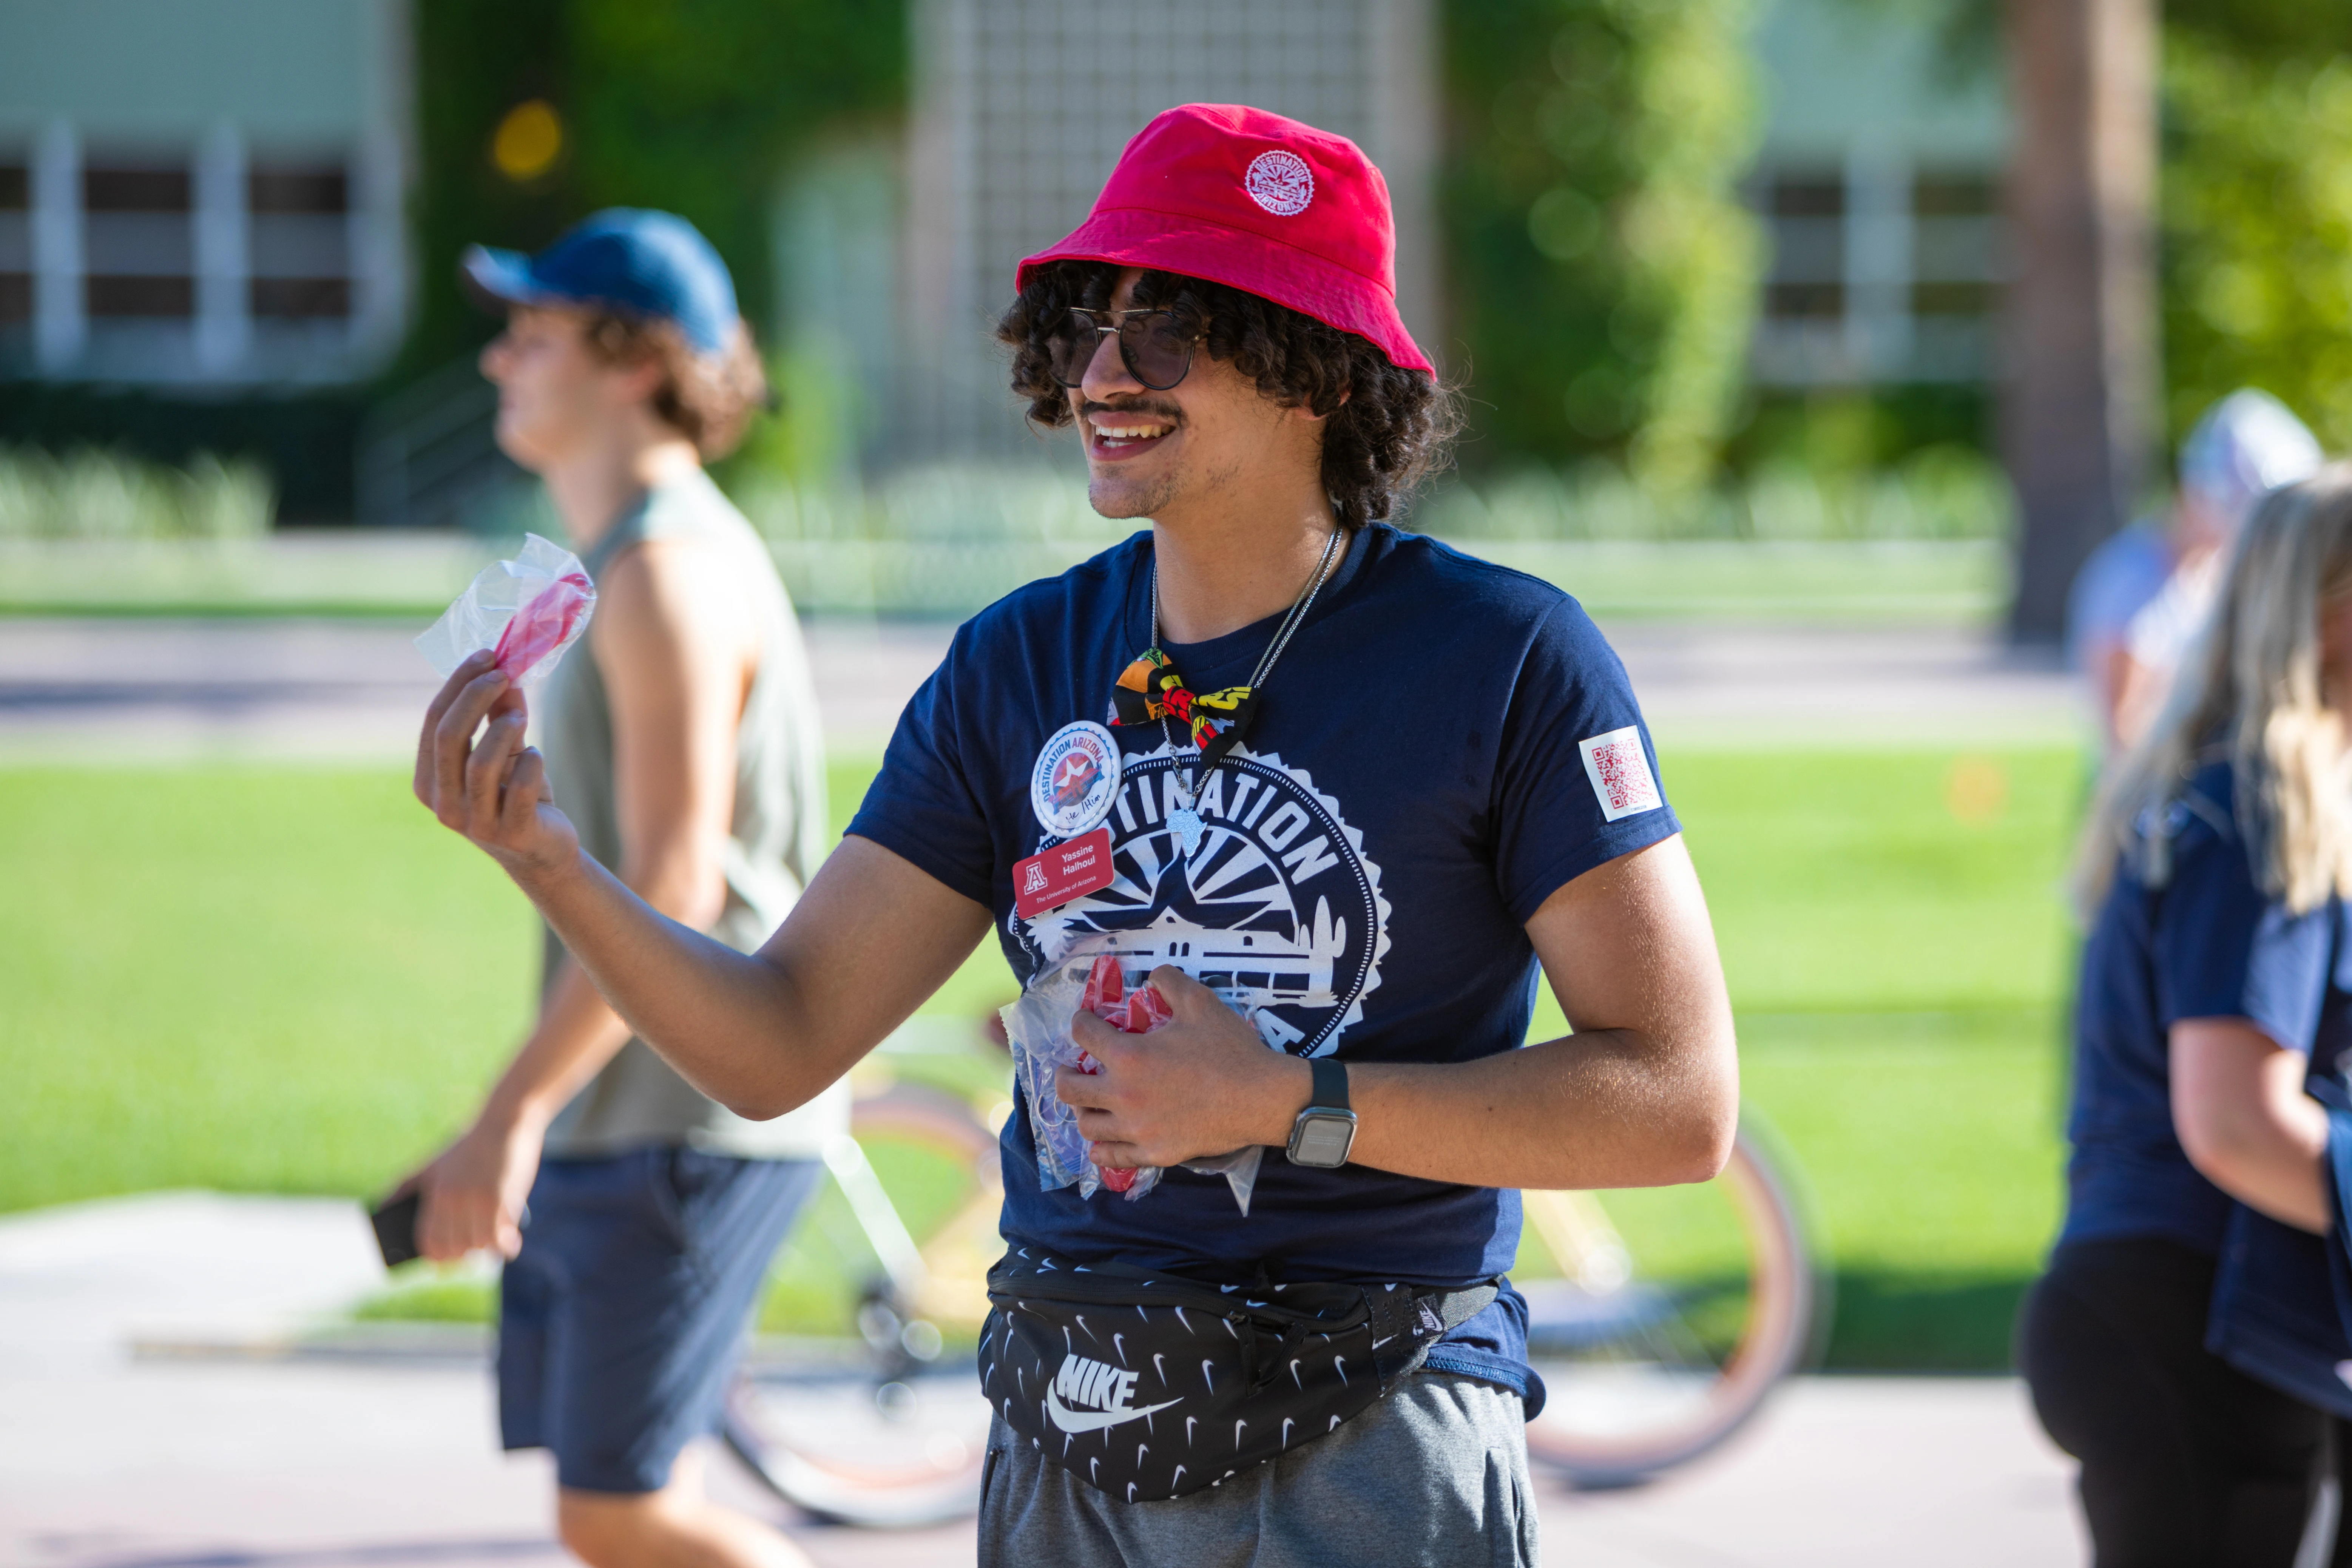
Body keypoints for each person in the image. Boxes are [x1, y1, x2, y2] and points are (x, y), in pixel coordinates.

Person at [416, 105, 1738, 1567]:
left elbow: (1677, 1099)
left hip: (1378, 1433)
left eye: (1167, 328)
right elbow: (778, 1038)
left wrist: (1283, 1100)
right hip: (1068, 1433)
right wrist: (553, 864)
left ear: (1312, 368)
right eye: (1087, 327)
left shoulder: (1505, 658)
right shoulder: (1017, 667)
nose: (1105, 372)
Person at [402, 209, 838, 1568]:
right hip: (636, 1114)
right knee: (612, 1510)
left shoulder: (665, 576)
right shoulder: (626, 564)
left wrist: (508, 1115)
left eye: (532, 334)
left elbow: (675, 883)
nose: (498, 365)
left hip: (691, 1116)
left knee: (621, 1511)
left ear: (635, 363)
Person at [2021, 466, 2352, 1565]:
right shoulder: (2267, 805)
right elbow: (2235, 1123)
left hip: (2186, 1319)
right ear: (2330, 611)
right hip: (2186, 1321)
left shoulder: (2235, 790)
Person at [2066, 389, 2320, 753]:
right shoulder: (2132, 580)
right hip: (2146, 796)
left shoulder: (2212, 572)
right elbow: (2122, 730)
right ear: (2197, 494)